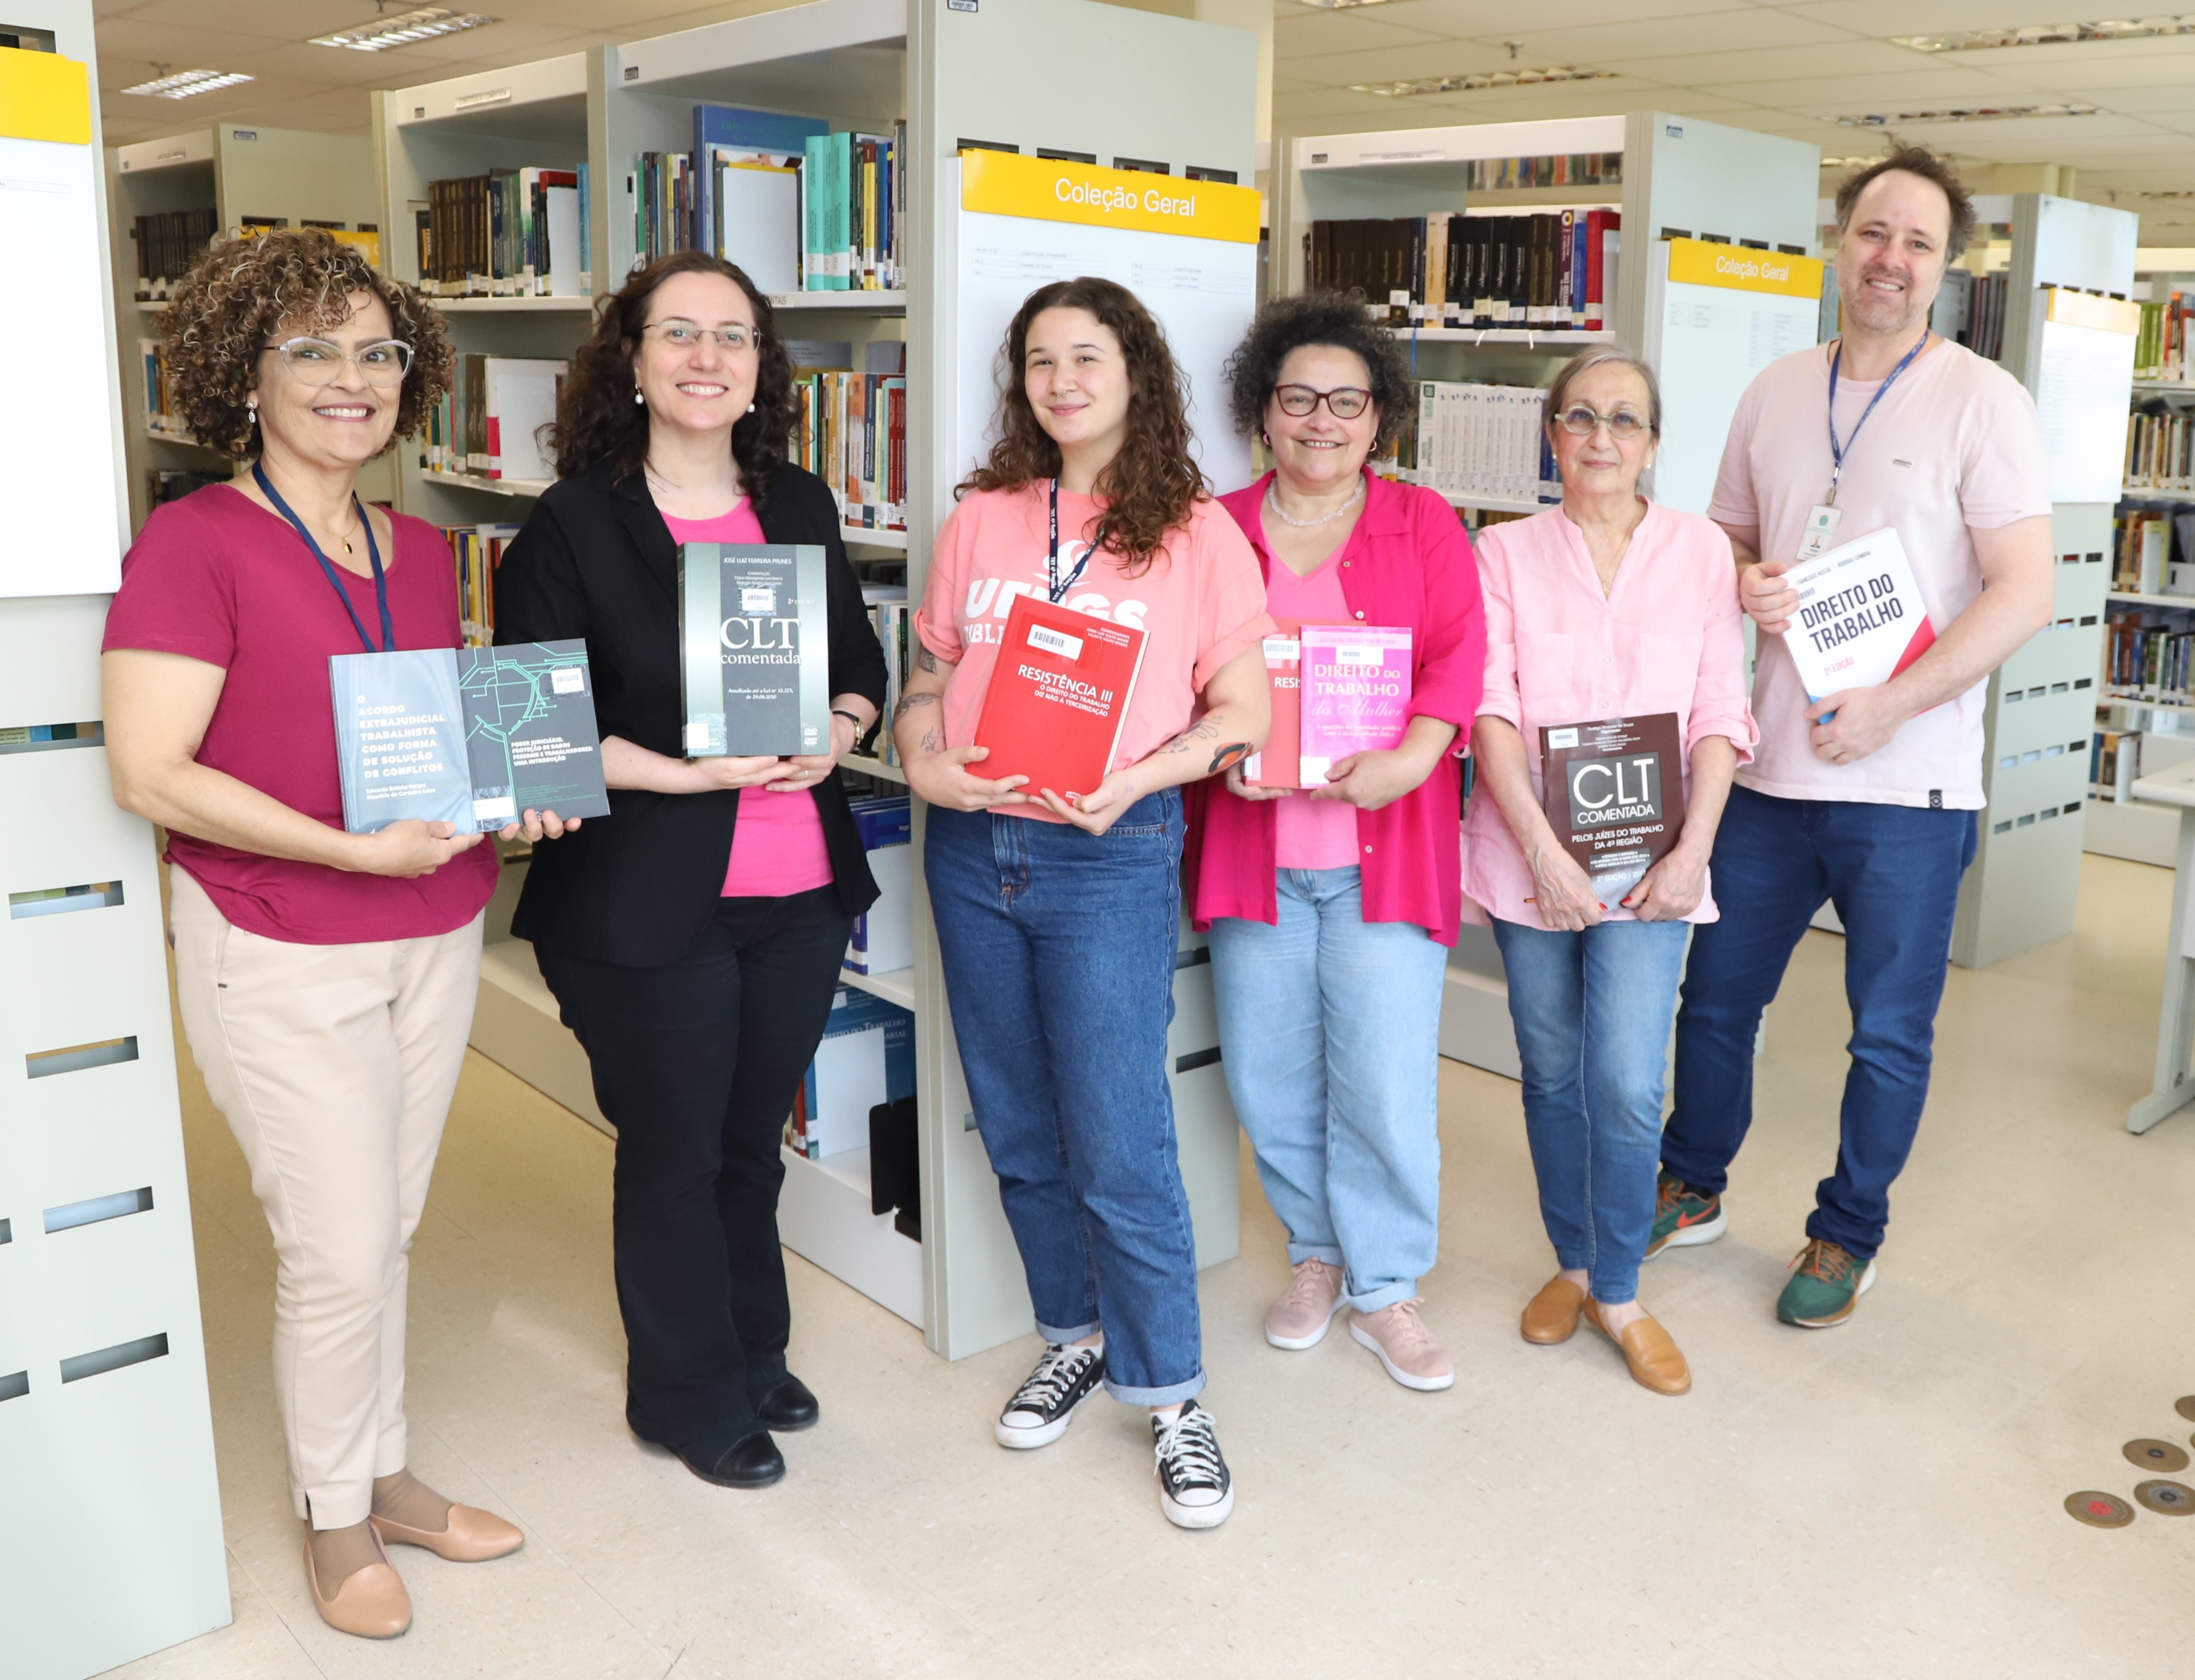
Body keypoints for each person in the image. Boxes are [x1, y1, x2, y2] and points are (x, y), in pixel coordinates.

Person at [102, 230, 556, 1639]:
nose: (348, 379)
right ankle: (335, 1517)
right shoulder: (195, 541)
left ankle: (386, 1470)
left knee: (391, 1225)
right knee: (339, 1245)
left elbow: (407, 734)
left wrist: (513, 790)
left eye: (376, 351)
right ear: (246, 371)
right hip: (279, 935)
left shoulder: (416, 547)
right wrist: (345, 849)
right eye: (310, 349)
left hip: (432, 927)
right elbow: (151, 771)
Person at [492, 253, 887, 1490]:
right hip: (642, 901)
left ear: (761, 365)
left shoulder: (800, 504)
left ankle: (748, 1349)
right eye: (679, 334)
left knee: (745, 1142)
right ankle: (683, 1393)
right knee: (671, 1146)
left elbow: (859, 660)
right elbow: (533, 732)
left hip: (797, 894)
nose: (707, 358)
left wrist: (841, 727)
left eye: (733, 336)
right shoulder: (571, 522)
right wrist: (692, 775)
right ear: (633, 357)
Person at [1651, 145, 2055, 1327]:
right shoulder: (1774, 388)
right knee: (1716, 1002)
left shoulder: (1983, 400)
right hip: (1768, 772)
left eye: (1917, 243)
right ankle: (1693, 1181)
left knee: (1883, 1033)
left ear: (1947, 268)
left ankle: (1846, 1233)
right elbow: (1718, 540)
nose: (1889, 259)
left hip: (1909, 788)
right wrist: (1745, 578)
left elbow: (2022, 592)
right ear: (1840, 240)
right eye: (1873, 233)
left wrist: (1892, 703)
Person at [894, 277, 1271, 1529]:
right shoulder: (984, 520)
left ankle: (1173, 1398)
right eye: (1041, 360)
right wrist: (915, 750)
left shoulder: (1197, 534)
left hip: (1107, 854)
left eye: (1087, 358)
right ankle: (1074, 1335)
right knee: (1015, 1122)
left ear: (1134, 374)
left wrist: (1137, 784)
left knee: (1121, 1138)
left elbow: (1244, 714)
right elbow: (931, 671)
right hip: (971, 852)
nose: (1062, 381)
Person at [1189, 291, 1485, 1391]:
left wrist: (1416, 754)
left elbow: (1458, 658)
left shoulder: (1425, 522)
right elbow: (1183, 669)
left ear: (1379, 418)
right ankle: (1315, 1255)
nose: (1321, 421)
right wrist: (1212, 743)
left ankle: (1387, 1284)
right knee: (1268, 1079)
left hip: (1384, 849)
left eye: (1346, 403)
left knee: (1385, 1081)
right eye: (1298, 398)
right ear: (1262, 413)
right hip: (1250, 852)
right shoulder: (1208, 525)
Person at [1460, 347, 1754, 1396]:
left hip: (1655, 865)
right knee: (1548, 1070)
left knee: (1625, 1083)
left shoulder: (1702, 553)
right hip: (1528, 855)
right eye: (1579, 417)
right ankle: (1574, 1261)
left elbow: (1722, 710)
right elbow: (1487, 710)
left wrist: (1693, 852)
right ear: (1551, 434)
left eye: (1622, 421)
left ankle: (1620, 1288)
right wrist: (1540, 852)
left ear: (1653, 444)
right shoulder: (1500, 554)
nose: (1598, 438)